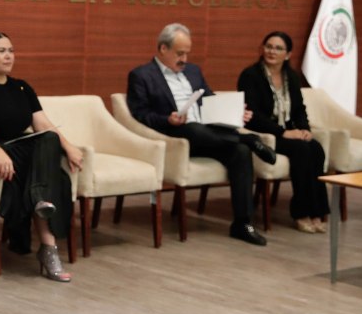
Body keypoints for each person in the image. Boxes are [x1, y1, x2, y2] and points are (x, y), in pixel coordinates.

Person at [126, 23, 276, 246]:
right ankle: (249, 138)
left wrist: (235, 113)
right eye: (179, 53)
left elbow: (209, 101)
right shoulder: (141, 75)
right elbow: (140, 114)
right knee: (194, 129)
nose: (184, 59)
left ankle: (242, 224)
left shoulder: (193, 71)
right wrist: (167, 119)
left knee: (241, 152)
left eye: (187, 53)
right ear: (163, 49)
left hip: (210, 135)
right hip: (177, 138)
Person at [0, 32, 83, 281]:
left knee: (49, 139)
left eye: (11, 51)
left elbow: (43, 124)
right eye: (1, 51)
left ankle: (40, 203)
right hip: (0, 149)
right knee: (53, 175)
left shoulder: (22, 87)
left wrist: (68, 146)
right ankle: (48, 247)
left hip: (23, 150)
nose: (8, 56)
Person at [238, 31, 330, 233]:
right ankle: (301, 213)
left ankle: (317, 212)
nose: (272, 51)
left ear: (287, 54)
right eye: (269, 46)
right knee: (301, 150)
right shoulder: (250, 76)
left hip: (286, 132)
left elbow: (299, 109)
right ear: (262, 49)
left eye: (278, 48)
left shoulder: (292, 77)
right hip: (264, 134)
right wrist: (282, 133)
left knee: (316, 148)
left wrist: (304, 129)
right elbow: (253, 115)